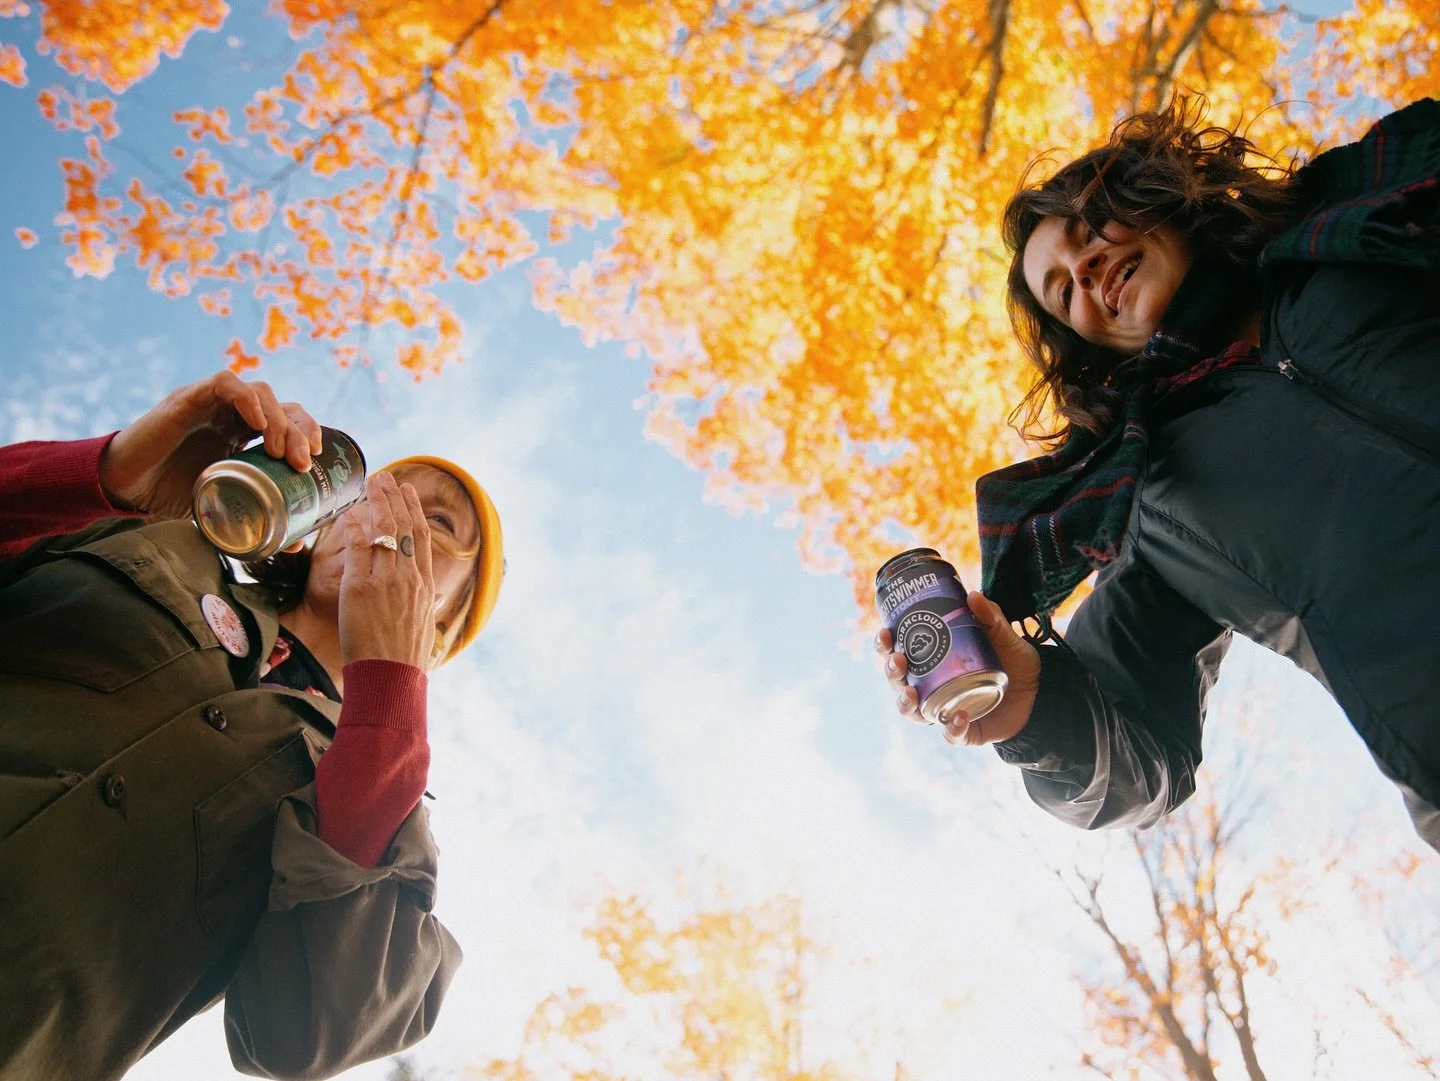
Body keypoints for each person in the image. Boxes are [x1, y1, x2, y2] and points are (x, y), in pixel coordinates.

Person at [877, 96, 1440, 852]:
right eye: (1063, 292)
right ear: (1086, 342)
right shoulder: (1154, 501)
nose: (1083, 269)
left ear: (1154, 203)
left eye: (1085, 232)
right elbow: (1143, 756)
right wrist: (1029, 705)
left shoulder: (1354, 224)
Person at [0, 370, 505, 1080]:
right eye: (377, 492)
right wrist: (110, 473)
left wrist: (389, 697)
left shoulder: (385, 807)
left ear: (445, 621)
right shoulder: (162, 547)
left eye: (440, 524)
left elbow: (302, 1030)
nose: (391, 514)